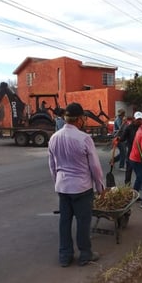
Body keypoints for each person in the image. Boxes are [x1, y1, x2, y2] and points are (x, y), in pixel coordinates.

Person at [48, 102, 104, 267]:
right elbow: (95, 166)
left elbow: (52, 165)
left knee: (64, 221)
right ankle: (85, 254)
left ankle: (65, 256)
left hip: (63, 187)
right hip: (81, 187)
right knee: (83, 222)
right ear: (79, 119)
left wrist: (57, 183)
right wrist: (100, 187)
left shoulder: (54, 138)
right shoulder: (84, 138)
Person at [114, 111, 142, 185]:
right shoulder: (129, 128)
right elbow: (123, 138)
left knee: (140, 170)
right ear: (134, 119)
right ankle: (127, 184)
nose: (139, 121)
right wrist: (118, 139)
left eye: (140, 119)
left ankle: (138, 185)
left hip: (140, 152)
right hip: (131, 152)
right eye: (138, 119)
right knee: (129, 169)